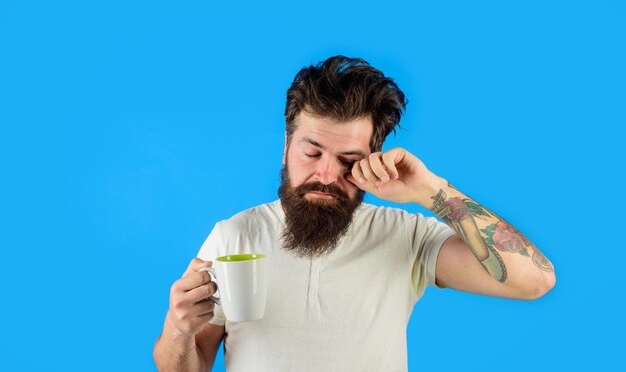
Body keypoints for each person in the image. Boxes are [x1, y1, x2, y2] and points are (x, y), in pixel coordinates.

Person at [153, 56, 556, 371]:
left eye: (348, 160)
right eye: (312, 153)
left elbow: (535, 280)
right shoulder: (233, 237)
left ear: (372, 159)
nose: (326, 174)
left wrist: (432, 190)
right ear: (286, 147)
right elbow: (187, 368)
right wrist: (178, 328)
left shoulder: (406, 238)